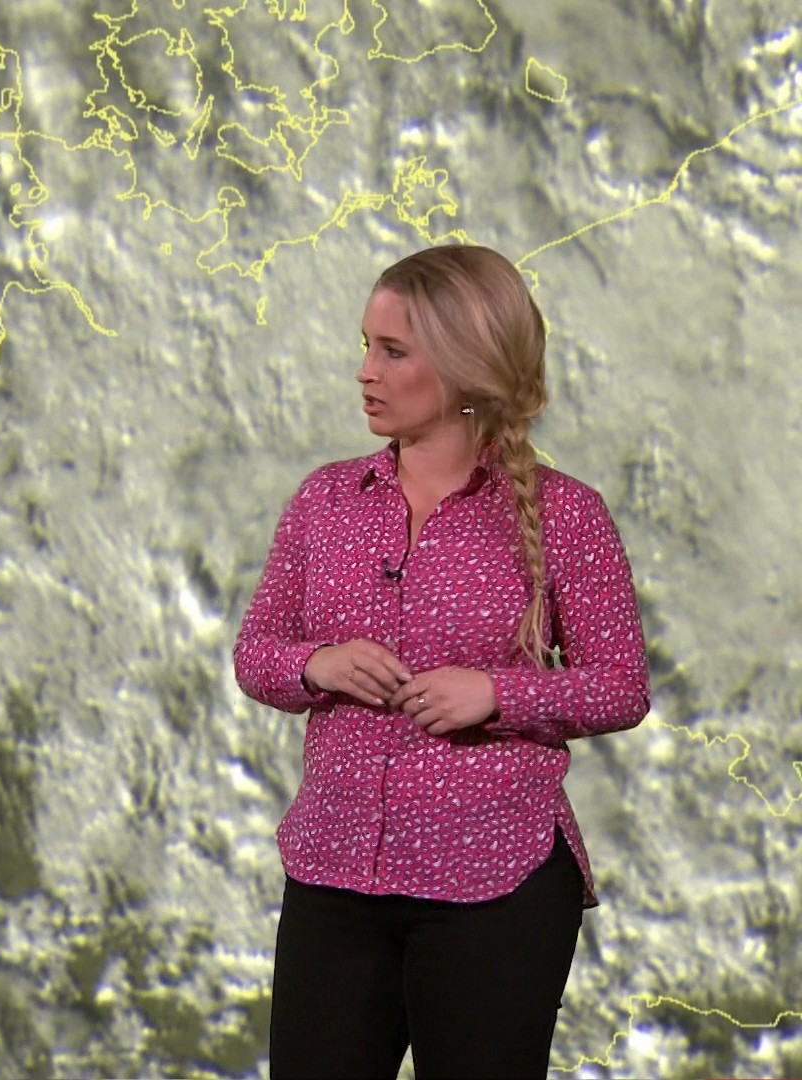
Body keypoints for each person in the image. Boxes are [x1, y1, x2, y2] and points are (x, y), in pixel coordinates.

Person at [232, 243, 651, 1079]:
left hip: (495, 879)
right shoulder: (325, 501)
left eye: (393, 351)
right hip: (336, 871)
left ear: (466, 366)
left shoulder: (566, 516)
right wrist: (319, 665)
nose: (366, 372)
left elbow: (621, 686)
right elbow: (256, 654)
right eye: (366, 346)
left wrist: (496, 693)